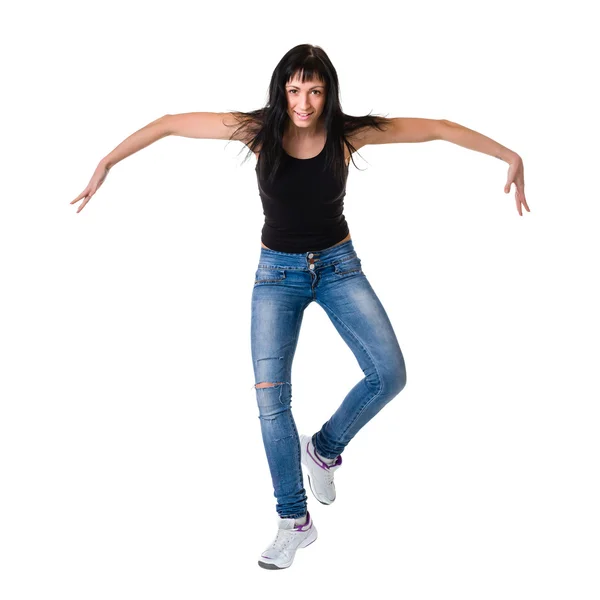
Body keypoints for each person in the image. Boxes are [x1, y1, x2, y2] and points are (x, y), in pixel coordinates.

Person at [71, 44, 529, 571]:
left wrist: (509, 155)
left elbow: (440, 127)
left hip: (339, 266)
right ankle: (294, 521)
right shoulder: (258, 130)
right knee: (271, 402)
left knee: (390, 372)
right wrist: (107, 161)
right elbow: (171, 123)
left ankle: (325, 448)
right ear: (281, 91)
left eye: (314, 90)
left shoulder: (349, 134)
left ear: (328, 92)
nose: (304, 102)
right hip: (276, 276)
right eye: (294, 90)